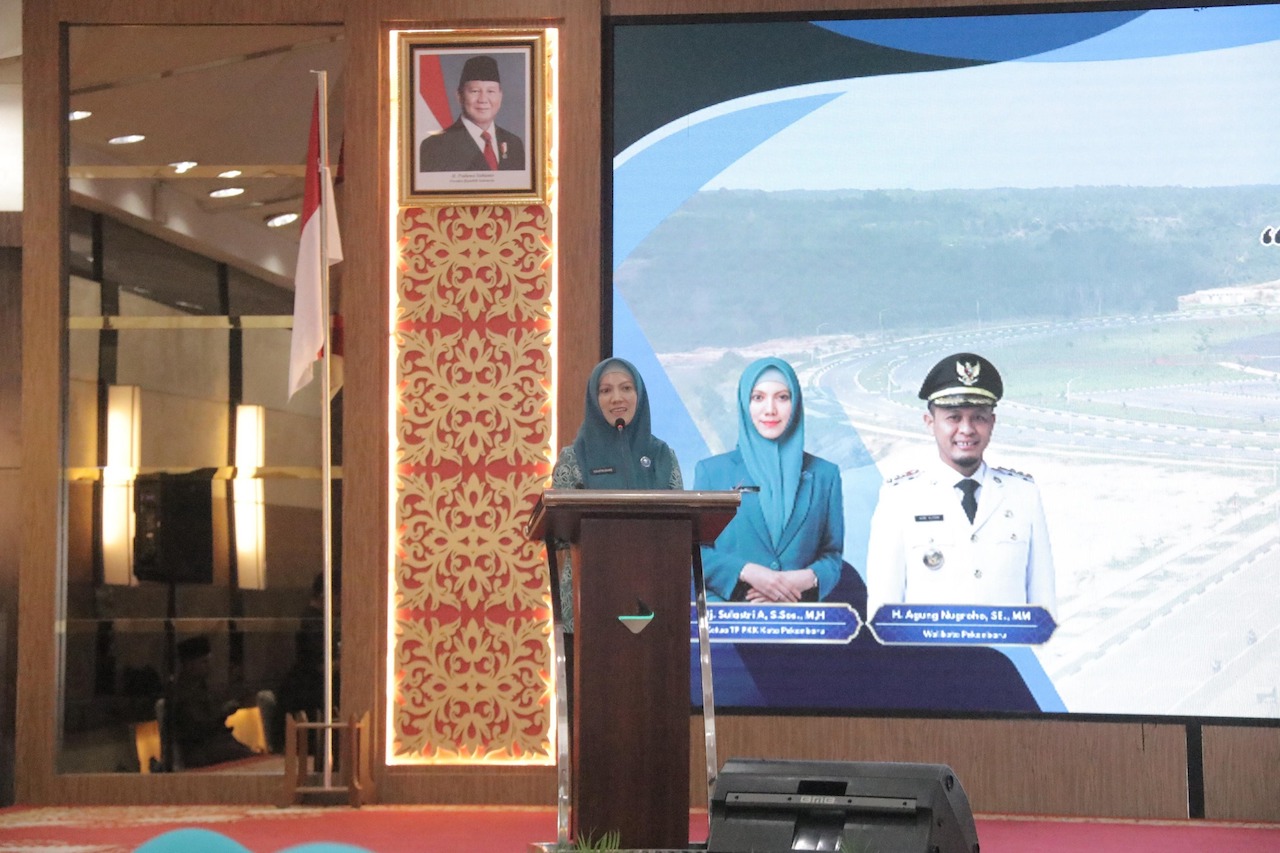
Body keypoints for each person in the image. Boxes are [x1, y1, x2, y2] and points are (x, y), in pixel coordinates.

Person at [865, 352, 1056, 619]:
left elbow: (1043, 605)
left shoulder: (1023, 495)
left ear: (992, 423)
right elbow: (884, 611)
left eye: (978, 417)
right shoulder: (901, 498)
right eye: (953, 417)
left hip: (1006, 647)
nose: (966, 429)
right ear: (930, 423)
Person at [693, 357, 844, 602]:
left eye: (782, 397)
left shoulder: (825, 475)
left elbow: (832, 555)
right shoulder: (712, 472)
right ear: (745, 404)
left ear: (796, 404)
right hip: (730, 615)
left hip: (801, 615)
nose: (770, 409)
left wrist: (807, 578)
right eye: (758, 397)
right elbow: (696, 552)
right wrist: (747, 573)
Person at [551, 357, 682, 629]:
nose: (617, 398)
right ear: (594, 399)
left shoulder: (662, 456)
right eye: (605, 390)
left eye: (626, 388)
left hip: (657, 596)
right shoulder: (574, 458)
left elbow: (682, 527)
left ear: (639, 395)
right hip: (587, 601)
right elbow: (558, 535)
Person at [419, 55, 526, 173]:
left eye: (491, 91)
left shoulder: (514, 144)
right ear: (459, 96)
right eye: (475, 91)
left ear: (500, 96)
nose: (483, 99)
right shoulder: (435, 146)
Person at [166, 635, 256, 769]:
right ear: (189, 665)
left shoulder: (200, 686)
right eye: (204, 662)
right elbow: (197, 728)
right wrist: (223, 712)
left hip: (215, 744)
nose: (209, 666)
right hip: (201, 750)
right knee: (249, 759)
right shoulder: (183, 692)